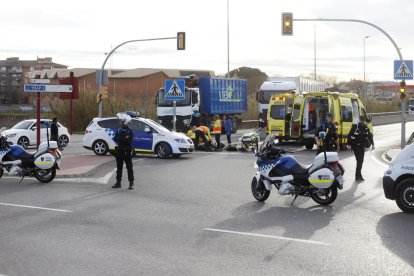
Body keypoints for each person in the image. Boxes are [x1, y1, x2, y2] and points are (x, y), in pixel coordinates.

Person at [347, 115, 375, 182]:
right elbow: (349, 135)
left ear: (365, 120)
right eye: (362, 120)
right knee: (359, 160)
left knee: (361, 161)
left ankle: (358, 175)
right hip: (355, 146)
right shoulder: (355, 126)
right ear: (360, 120)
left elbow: (370, 136)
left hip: (362, 146)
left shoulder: (366, 128)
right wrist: (349, 144)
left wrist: (373, 144)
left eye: (363, 120)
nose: (362, 121)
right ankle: (358, 175)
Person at [112, 114, 134, 190]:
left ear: (126, 122)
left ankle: (131, 182)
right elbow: (115, 139)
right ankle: (118, 182)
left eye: (122, 121)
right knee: (119, 168)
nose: (120, 122)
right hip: (119, 151)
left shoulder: (130, 131)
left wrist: (121, 138)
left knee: (129, 167)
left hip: (127, 151)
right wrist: (124, 138)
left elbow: (129, 141)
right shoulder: (119, 130)